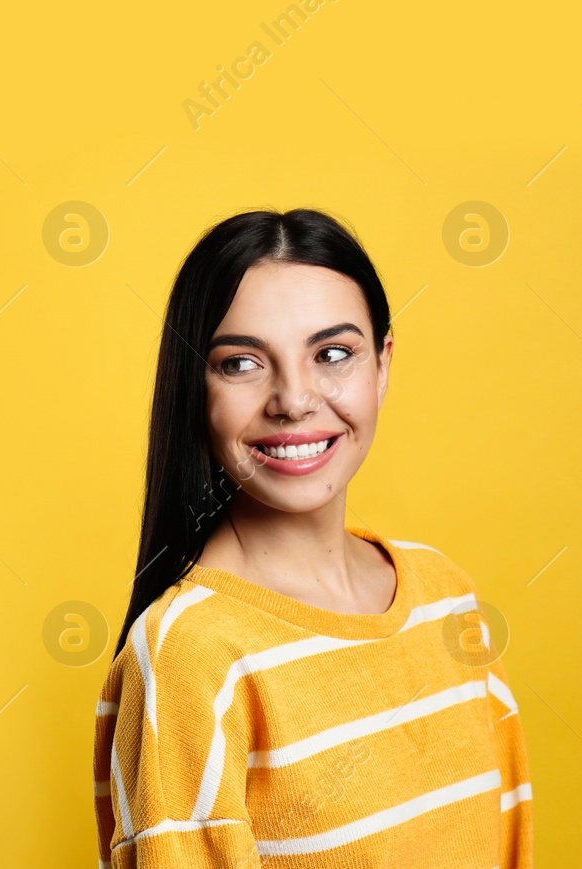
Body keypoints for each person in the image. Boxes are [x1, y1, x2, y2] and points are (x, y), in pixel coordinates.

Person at [92, 208, 532, 867]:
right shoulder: (190, 652)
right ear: (195, 387)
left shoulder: (446, 593)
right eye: (241, 363)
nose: (294, 399)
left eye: (332, 354)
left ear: (382, 363)